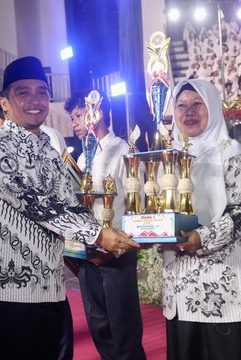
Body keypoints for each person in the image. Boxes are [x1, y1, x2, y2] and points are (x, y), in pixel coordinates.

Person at [0, 56, 139, 360]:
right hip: (10, 290)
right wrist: (99, 236)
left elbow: (70, 206)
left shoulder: (49, 151)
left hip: (50, 286)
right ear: (4, 103)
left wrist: (97, 246)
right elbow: (34, 202)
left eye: (41, 92)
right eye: (23, 92)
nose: (35, 100)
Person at [163, 79, 241, 360]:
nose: (188, 112)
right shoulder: (170, 156)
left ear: (213, 108)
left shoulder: (231, 152)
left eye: (197, 104)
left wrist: (200, 238)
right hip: (178, 290)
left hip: (220, 286)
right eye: (181, 106)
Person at [64, 91, 146, 360]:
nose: (75, 123)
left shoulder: (123, 150)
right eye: (73, 117)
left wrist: (120, 245)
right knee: (99, 325)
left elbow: (138, 202)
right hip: (87, 250)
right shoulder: (83, 159)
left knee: (124, 328)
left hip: (116, 252)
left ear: (96, 112)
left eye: (78, 115)